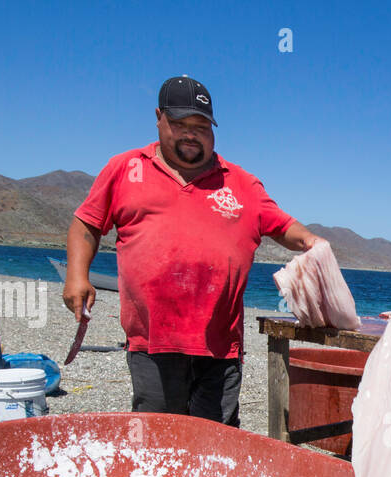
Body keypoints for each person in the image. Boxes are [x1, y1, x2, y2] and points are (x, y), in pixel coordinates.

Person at [63, 75, 323, 425]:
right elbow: (87, 223)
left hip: (220, 347)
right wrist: (77, 275)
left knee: (217, 442)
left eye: (200, 126)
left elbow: (281, 225)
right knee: (159, 437)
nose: (190, 133)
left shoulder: (241, 181)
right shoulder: (125, 169)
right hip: (153, 341)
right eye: (179, 123)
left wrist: (312, 243)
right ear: (158, 118)